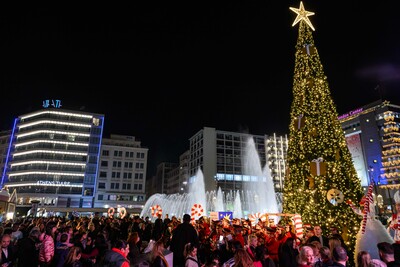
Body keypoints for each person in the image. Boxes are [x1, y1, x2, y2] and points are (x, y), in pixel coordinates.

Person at [347, 184, 394, 260]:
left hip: (373, 223)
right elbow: (357, 211)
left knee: (377, 237)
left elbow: (371, 205)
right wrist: (351, 204)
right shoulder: (364, 212)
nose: (363, 207)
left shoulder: (371, 210)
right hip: (366, 226)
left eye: (364, 205)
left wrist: (369, 197)